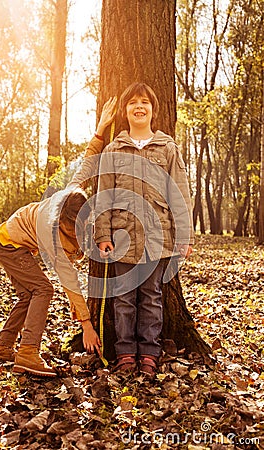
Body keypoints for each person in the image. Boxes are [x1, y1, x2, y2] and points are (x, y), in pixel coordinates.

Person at [0, 97, 117, 377]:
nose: (77, 232)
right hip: (8, 244)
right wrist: (85, 322)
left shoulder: (74, 193)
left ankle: (4, 349)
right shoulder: (51, 231)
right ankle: (27, 354)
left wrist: (101, 128)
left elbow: (87, 162)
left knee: (27, 295)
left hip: (12, 242)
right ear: (61, 221)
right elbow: (68, 279)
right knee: (43, 290)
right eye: (71, 228)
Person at [94, 83, 194, 378]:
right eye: (133, 103)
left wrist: (184, 236)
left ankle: (149, 353)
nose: (139, 107)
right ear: (125, 112)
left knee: (151, 297)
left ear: (152, 110)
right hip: (122, 238)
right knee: (123, 299)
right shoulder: (114, 150)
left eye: (145, 102)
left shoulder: (167, 148)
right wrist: (103, 235)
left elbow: (180, 194)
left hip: (157, 238)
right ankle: (125, 352)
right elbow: (103, 196)